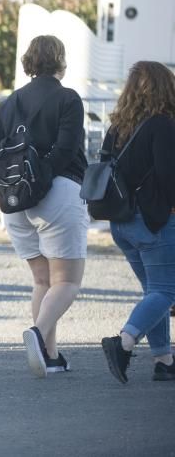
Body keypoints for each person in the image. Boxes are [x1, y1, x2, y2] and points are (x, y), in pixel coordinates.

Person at [0, 35, 88, 378]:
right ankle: (38, 335)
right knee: (67, 281)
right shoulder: (68, 98)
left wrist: (18, 177)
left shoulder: (11, 100)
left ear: (29, 61)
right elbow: (67, 150)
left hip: (13, 200)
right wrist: (40, 175)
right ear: (60, 60)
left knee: (42, 281)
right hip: (57, 191)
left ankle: (51, 356)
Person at [97, 61, 175, 384]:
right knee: (166, 290)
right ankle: (124, 342)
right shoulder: (163, 125)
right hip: (154, 222)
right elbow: (169, 177)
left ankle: (164, 360)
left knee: (152, 291)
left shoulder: (118, 127)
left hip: (120, 222)